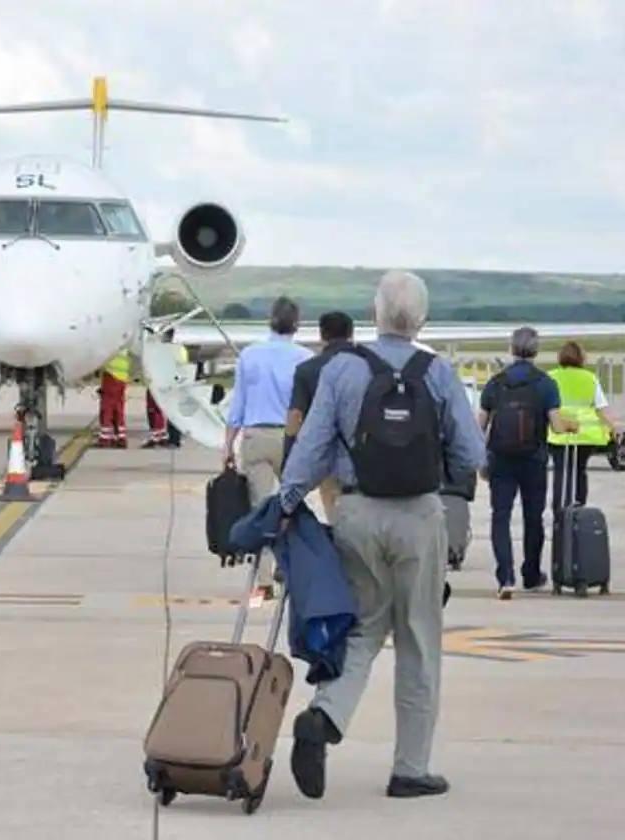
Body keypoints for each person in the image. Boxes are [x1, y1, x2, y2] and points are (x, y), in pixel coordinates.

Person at [276, 270, 484, 801]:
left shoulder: (343, 369)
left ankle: (324, 716)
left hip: (356, 512)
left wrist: (286, 501)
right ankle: (410, 768)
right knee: (418, 637)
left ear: (374, 315)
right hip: (418, 515)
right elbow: (471, 456)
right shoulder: (437, 372)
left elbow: (313, 447)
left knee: (363, 627)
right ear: (422, 320)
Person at [224, 296, 314, 597]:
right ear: (297, 324)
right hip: (291, 439)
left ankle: (262, 579)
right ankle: (289, 568)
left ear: (269, 320)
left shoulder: (250, 355)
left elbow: (238, 405)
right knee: (292, 507)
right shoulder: (304, 358)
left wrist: (227, 445)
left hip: (255, 436)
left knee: (260, 508)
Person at [478, 327, 577, 599]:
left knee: (500, 516)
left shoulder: (496, 383)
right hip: (533, 459)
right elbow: (556, 426)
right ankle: (531, 575)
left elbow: (480, 426)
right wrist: (570, 426)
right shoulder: (545, 383)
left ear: (511, 349)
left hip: (500, 458)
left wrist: (479, 459)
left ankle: (505, 576)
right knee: (533, 518)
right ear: (536, 350)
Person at [284, 311, 354, 524]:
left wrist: (289, 455)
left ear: (321, 336)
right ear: (351, 334)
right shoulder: (368, 365)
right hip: (363, 457)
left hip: (326, 457)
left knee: (336, 519)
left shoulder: (307, 370)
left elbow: (295, 418)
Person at [548, 341, 618, 516]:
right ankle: (578, 509)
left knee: (561, 472)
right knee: (579, 471)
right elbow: (602, 407)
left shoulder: (551, 377)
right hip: (585, 435)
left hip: (559, 434)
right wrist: (615, 427)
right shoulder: (590, 378)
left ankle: (559, 511)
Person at [143, 334, 189, 449]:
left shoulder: (165, 349)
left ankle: (169, 439)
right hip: (177, 381)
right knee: (173, 411)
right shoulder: (180, 348)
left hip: (165, 381)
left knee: (161, 410)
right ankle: (172, 438)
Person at [96, 349, 130, 448]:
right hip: (122, 377)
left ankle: (105, 439)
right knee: (118, 409)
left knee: (107, 408)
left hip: (111, 376)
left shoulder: (111, 342)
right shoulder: (123, 345)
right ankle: (121, 437)